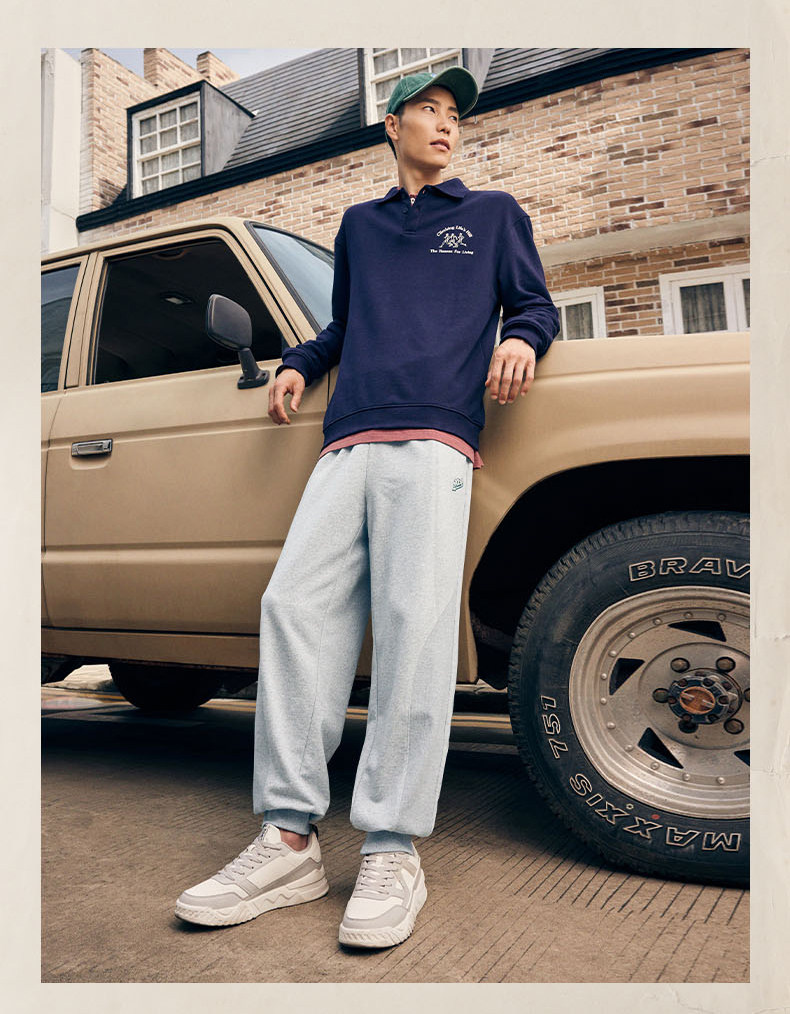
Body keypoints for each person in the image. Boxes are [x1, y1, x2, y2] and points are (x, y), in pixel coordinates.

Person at [175, 67, 560, 949]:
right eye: (428, 110)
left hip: (436, 436)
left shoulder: (492, 214)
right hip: (346, 438)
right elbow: (347, 326)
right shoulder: (360, 226)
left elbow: (536, 304)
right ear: (392, 125)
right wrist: (299, 363)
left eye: (454, 114)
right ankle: (288, 839)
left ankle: (391, 845)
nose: (446, 125)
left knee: (414, 625)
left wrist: (521, 338)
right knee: (293, 607)